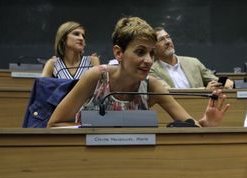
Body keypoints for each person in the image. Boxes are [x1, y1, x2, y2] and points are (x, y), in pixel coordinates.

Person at [47, 17, 229, 128]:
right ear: (118, 53)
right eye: (140, 52)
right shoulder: (96, 76)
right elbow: (54, 125)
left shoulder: (153, 85)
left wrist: (204, 125)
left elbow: (190, 125)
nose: (149, 60)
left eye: (151, 53)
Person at [149, 27, 233, 90]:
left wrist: (225, 83)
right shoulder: (152, 70)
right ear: (153, 47)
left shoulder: (193, 62)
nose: (167, 41)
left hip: (200, 107)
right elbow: (167, 91)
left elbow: (214, 79)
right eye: (161, 39)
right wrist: (204, 90)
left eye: (168, 37)